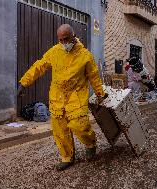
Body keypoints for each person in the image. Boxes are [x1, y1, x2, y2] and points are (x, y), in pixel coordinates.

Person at [17, 24, 107, 171]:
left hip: (76, 97)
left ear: (74, 36)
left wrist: (100, 94)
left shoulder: (85, 56)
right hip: (57, 97)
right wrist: (23, 84)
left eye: (67, 39)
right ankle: (67, 157)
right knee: (60, 131)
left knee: (80, 126)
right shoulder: (54, 51)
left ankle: (90, 144)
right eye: (61, 40)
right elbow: (39, 66)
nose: (64, 43)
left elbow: (94, 77)